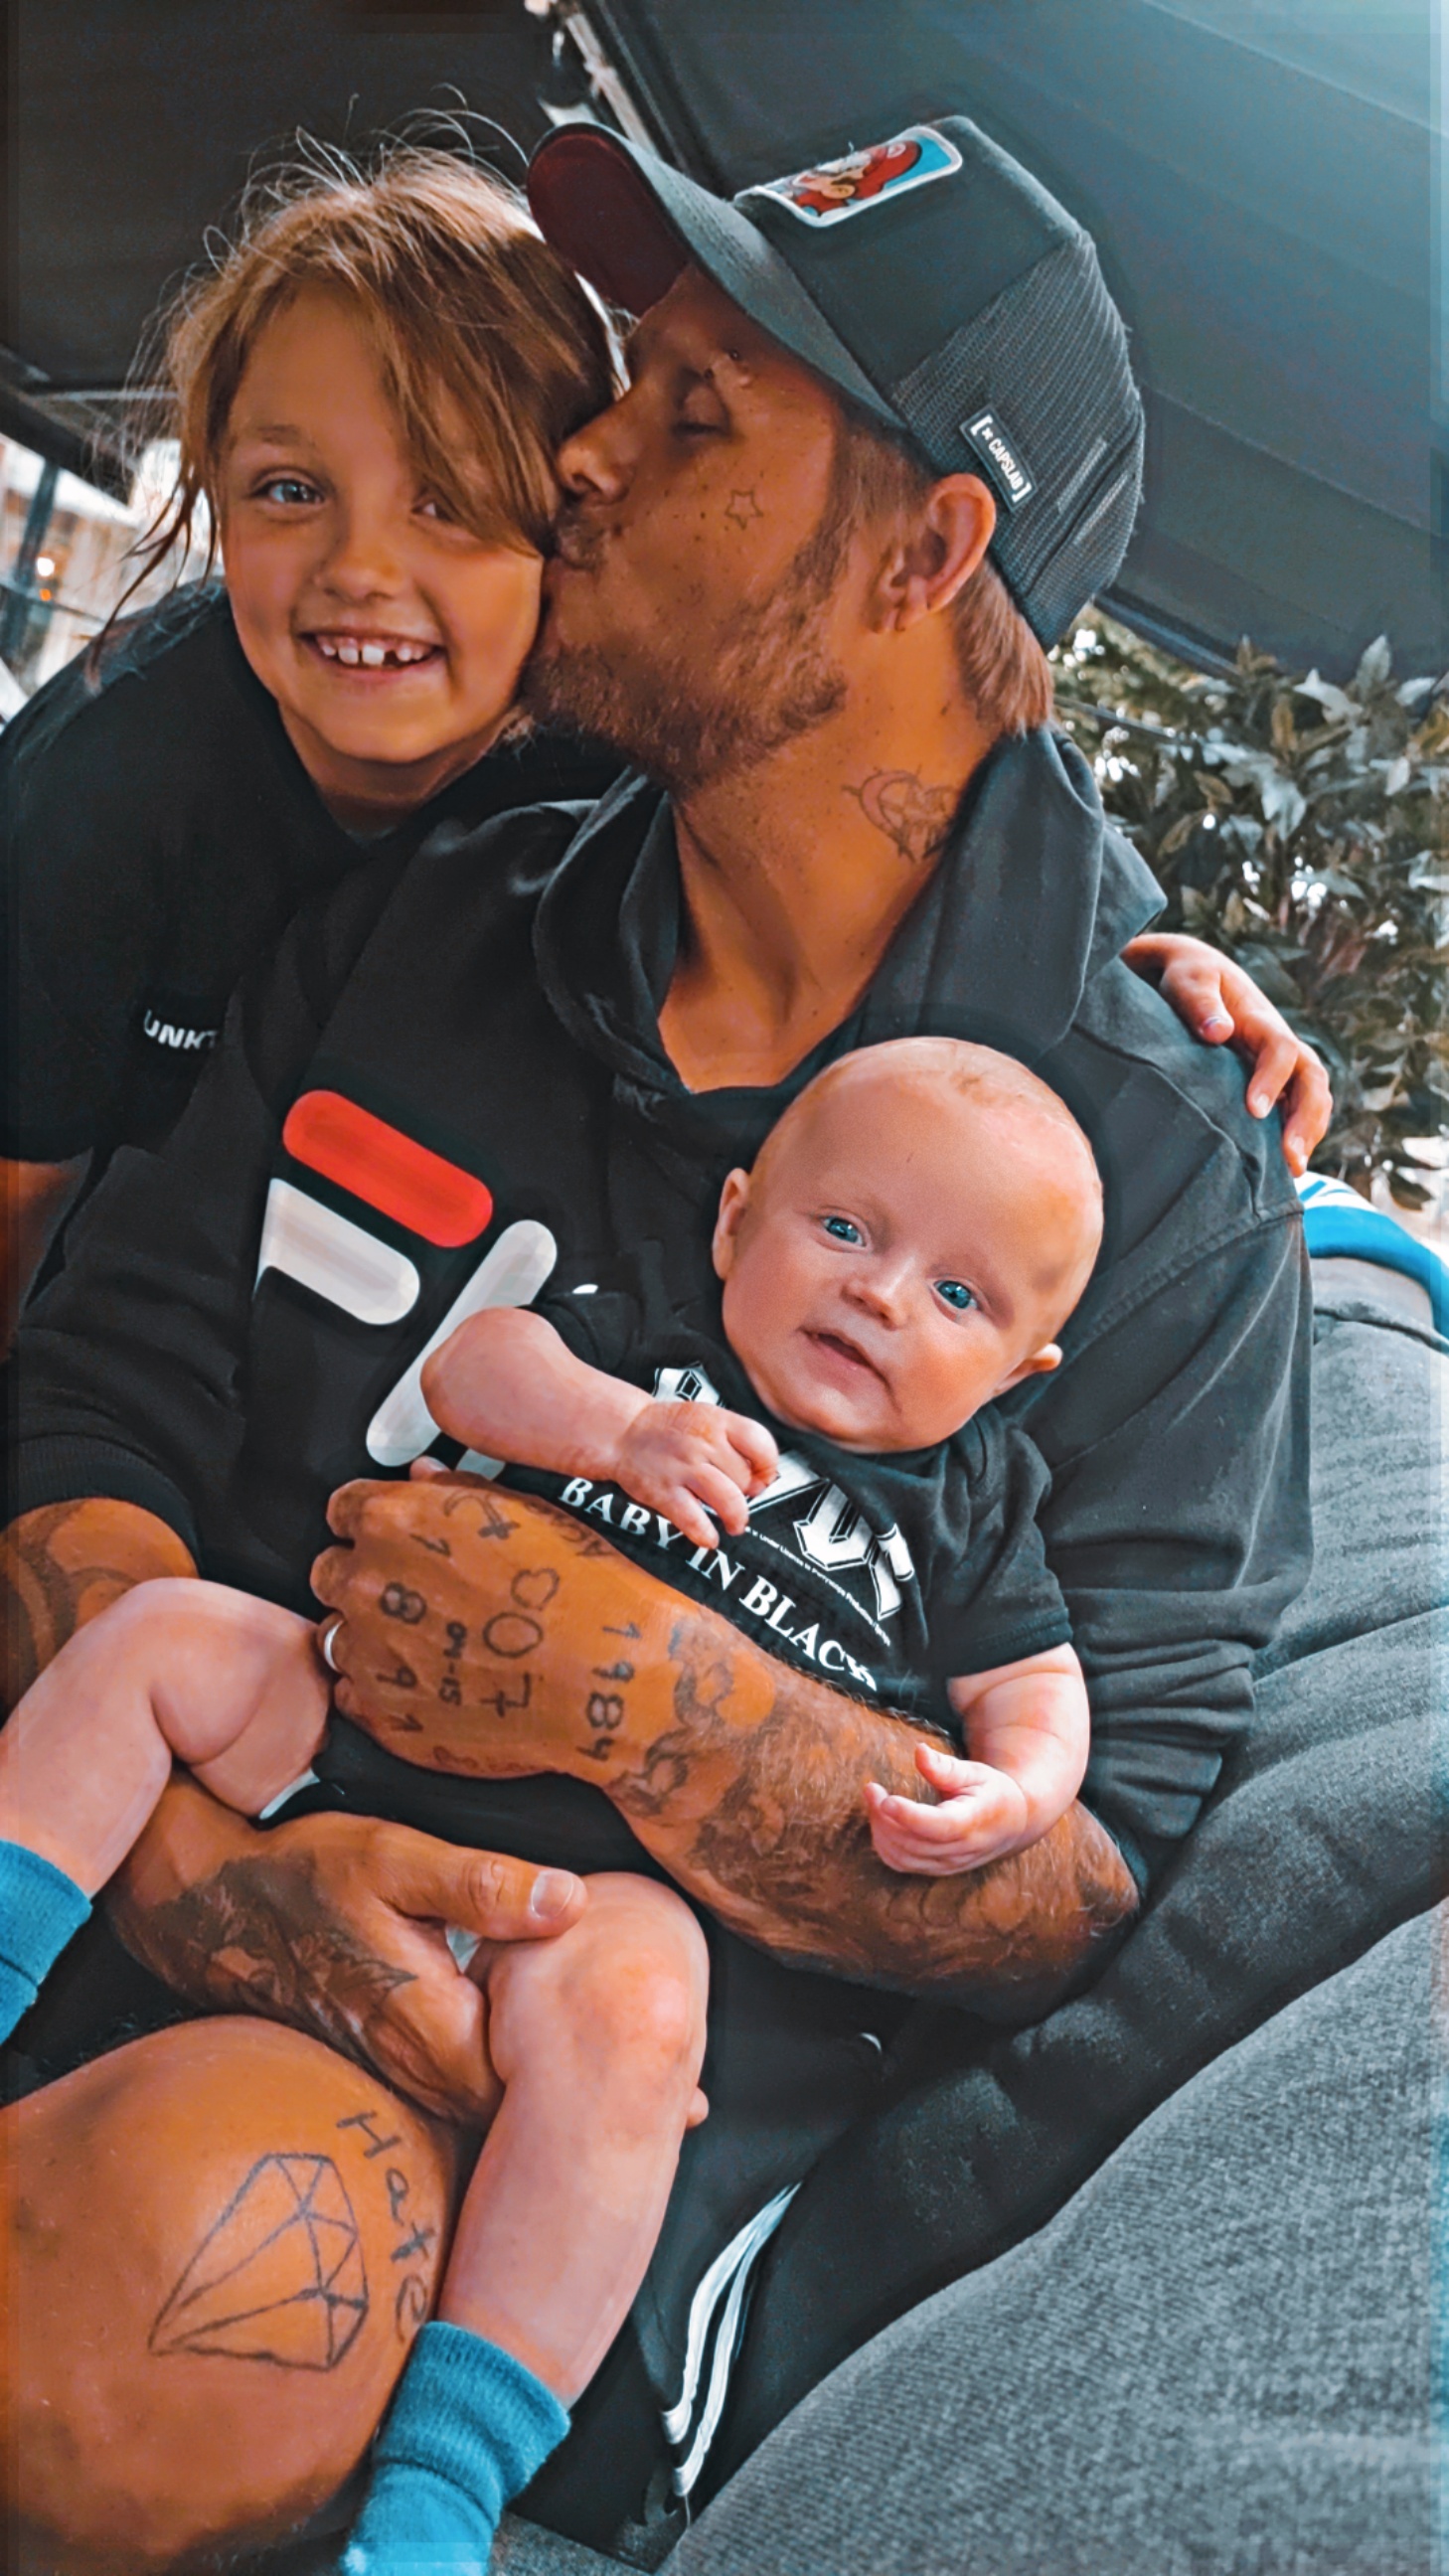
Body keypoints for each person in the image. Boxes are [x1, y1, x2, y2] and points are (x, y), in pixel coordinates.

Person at [3, 113, 1334, 2555]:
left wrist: (652, 1697)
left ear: (931, 551)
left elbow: (1098, 1862)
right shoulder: (447, 875)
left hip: (523, 2078)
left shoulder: (1141, 1161)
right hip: (114, 1806)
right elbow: (109, 1376)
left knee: (145, 2315)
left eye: (696, 412)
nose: (587, 453)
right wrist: (182, 1862)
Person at [0, 143, 624, 1343]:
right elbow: (18, 1201)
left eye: (448, 499)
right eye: (291, 489)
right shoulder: (109, 783)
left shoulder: (612, 806)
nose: (360, 568)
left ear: (573, 527)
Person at [0, 1582, 709, 2571]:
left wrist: (963, 1799)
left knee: (640, 2011)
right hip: (359, 1718)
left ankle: (444, 2490)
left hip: (584, 1878)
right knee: (155, 1633)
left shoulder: (940, 1530)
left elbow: (971, 1723)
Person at [423, 1038, 1104, 1875]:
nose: (880, 1295)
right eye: (845, 1230)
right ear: (734, 1225)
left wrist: (1019, 1796)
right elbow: (469, 1368)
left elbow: (1027, 1685)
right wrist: (623, 1430)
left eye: (955, 1294)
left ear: (1008, 1378)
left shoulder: (969, 1503)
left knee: (638, 1959)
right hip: (426, 1722)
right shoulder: (657, 1341)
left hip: (643, 1875)